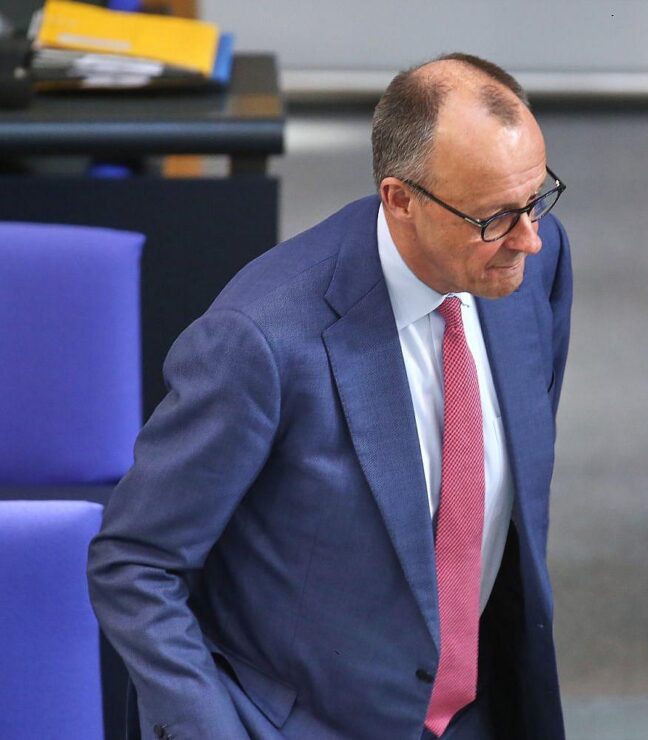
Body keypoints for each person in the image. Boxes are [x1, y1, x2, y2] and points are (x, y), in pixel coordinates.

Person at [87, 52, 572, 740]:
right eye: (494, 216)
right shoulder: (261, 340)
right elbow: (136, 564)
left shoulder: (529, 266)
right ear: (400, 199)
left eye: (536, 198)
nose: (529, 238)